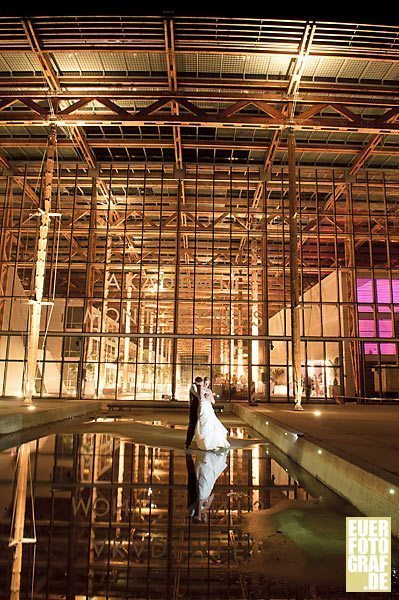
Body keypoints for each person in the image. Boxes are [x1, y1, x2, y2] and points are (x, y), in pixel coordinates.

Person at [194, 377, 231, 451]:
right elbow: (213, 401)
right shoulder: (208, 390)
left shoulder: (198, 390)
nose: (206, 384)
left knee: (206, 424)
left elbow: (198, 399)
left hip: (203, 408)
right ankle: (207, 442)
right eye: (206, 383)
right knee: (208, 424)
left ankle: (205, 442)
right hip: (206, 408)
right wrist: (209, 398)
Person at [185, 375, 202, 450]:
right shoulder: (194, 386)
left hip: (196, 407)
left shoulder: (197, 387)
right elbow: (197, 395)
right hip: (193, 408)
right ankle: (188, 443)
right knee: (192, 424)